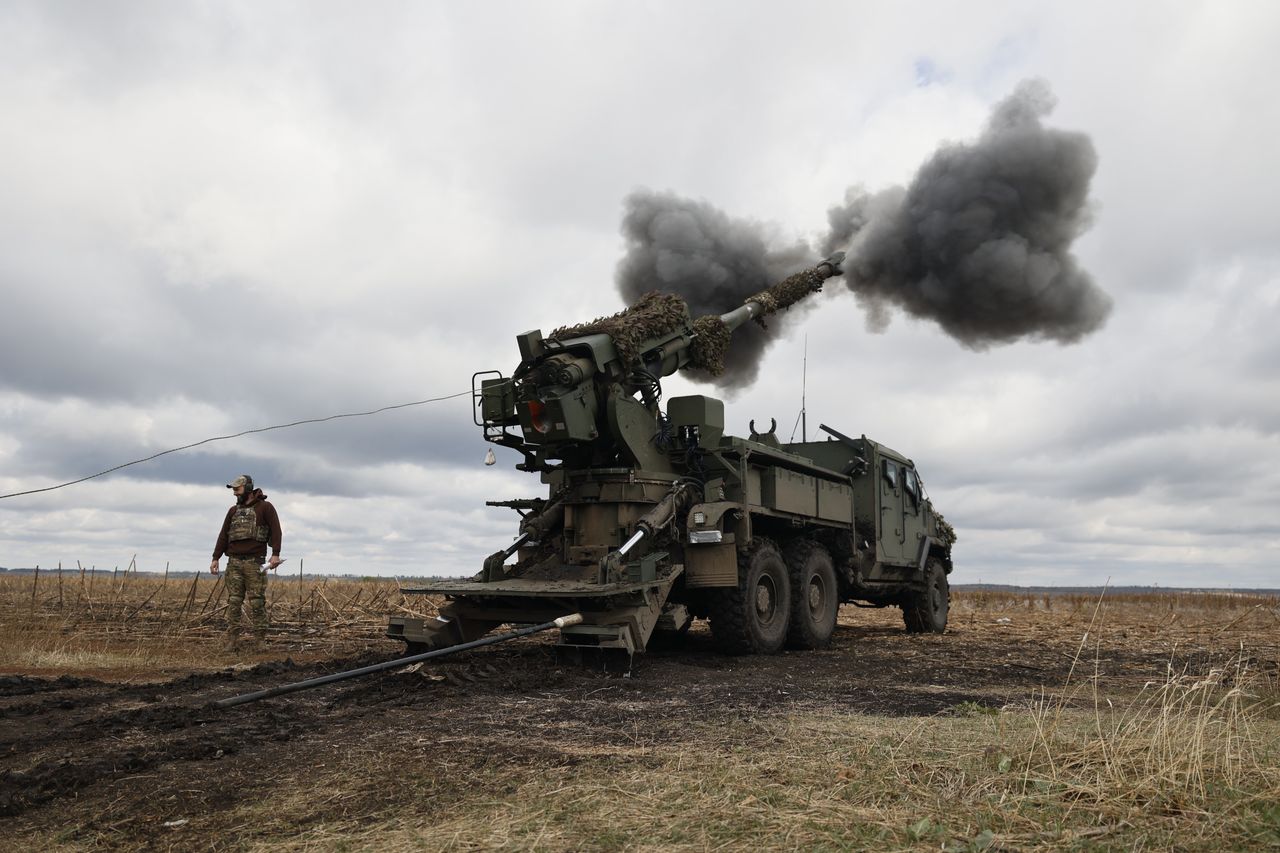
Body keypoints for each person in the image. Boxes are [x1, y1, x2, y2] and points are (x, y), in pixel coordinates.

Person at [210, 474, 283, 649]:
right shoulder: (233, 511)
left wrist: (275, 554)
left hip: (254, 562)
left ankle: (260, 640)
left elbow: (276, 531)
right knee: (234, 601)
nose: (235, 493)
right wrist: (215, 557)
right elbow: (223, 535)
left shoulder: (265, 508)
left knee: (257, 601)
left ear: (248, 488)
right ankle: (232, 639)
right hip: (234, 562)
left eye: (237, 489)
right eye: (233, 490)